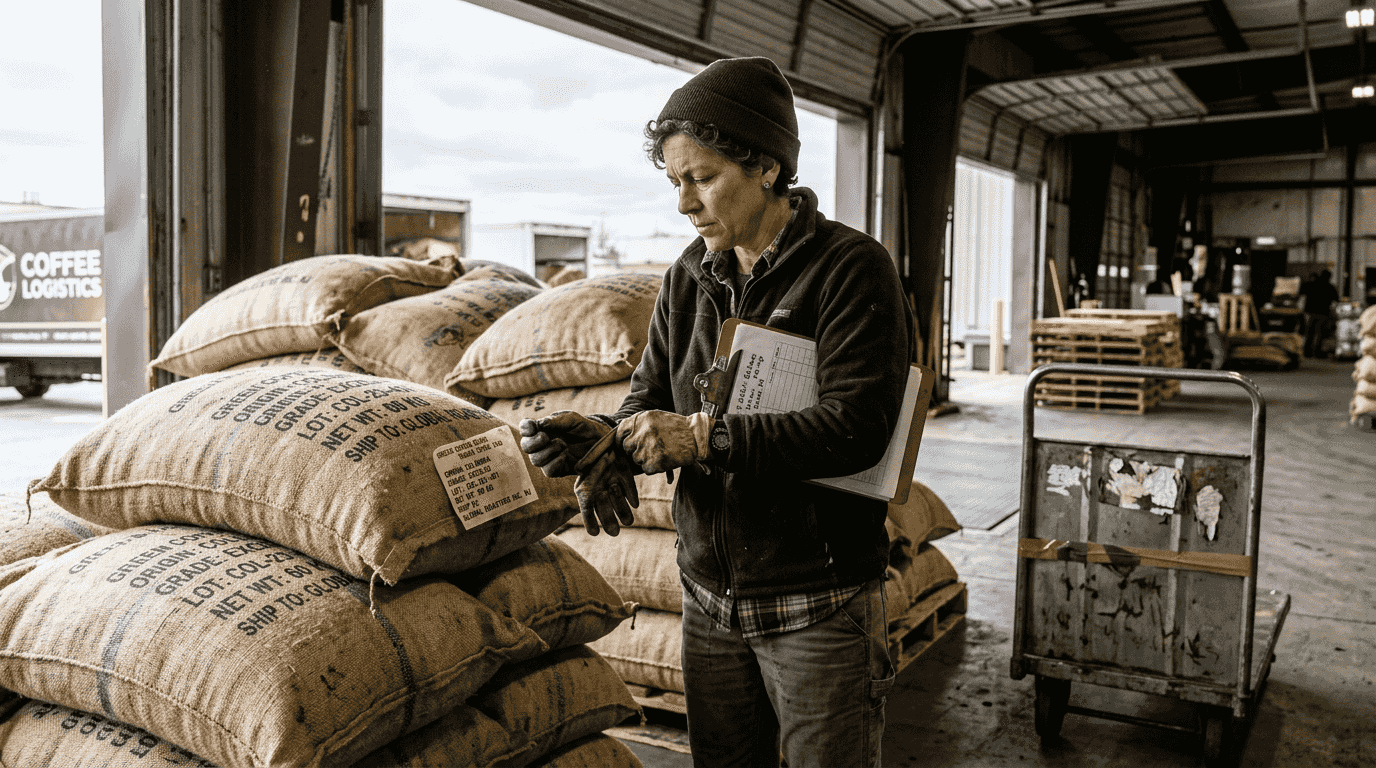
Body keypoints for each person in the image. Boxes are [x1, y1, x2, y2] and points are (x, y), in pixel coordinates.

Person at [517, 57, 913, 767]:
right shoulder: (689, 276)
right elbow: (650, 397)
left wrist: (704, 437)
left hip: (816, 602)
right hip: (711, 600)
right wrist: (605, 440)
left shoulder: (849, 268)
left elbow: (859, 425)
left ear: (765, 165)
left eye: (701, 178)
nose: (684, 202)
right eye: (674, 182)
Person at [1301, 269, 1338, 357]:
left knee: (1309, 333)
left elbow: (1302, 290)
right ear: (1329, 277)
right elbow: (1336, 299)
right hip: (1323, 313)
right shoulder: (1330, 287)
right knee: (1320, 334)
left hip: (1310, 312)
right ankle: (1318, 352)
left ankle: (1307, 352)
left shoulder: (1311, 284)